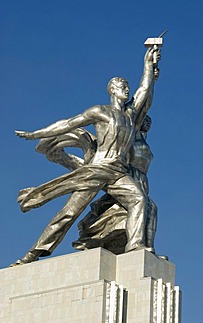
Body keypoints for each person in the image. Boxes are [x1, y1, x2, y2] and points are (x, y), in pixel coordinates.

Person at [11, 46, 160, 266]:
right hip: (98, 168)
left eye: (127, 86)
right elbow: (69, 123)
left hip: (118, 172)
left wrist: (149, 65)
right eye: (122, 86)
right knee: (70, 212)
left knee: (139, 199)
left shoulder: (130, 115)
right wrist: (37, 134)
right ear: (112, 90)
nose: (127, 90)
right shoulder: (100, 111)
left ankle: (135, 246)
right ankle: (31, 254)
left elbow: (145, 90)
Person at [72, 115, 157, 253]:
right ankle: (135, 243)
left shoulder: (143, 140)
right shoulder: (129, 137)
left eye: (150, 121)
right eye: (145, 120)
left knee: (150, 208)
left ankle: (147, 246)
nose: (148, 123)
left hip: (141, 179)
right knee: (140, 207)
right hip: (127, 174)